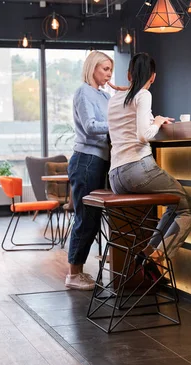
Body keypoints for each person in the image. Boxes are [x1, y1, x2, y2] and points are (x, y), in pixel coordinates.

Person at [107, 53, 191, 281]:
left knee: (173, 204)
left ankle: (148, 254)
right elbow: (142, 136)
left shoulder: (114, 99)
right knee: (189, 208)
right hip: (138, 169)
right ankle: (157, 260)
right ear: (154, 77)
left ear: (129, 75)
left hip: (115, 177)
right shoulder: (143, 94)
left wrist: (151, 120)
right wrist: (157, 121)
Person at [66, 51, 113, 291]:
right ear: (92, 67)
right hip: (85, 160)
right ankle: (73, 274)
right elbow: (90, 126)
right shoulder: (84, 92)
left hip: (99, 160)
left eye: (110, 70)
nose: (108, 74)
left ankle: (79, 271)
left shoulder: (104, 96)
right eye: (105, 69)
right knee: (85, 218)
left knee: (93, 220)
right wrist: (117, 125)